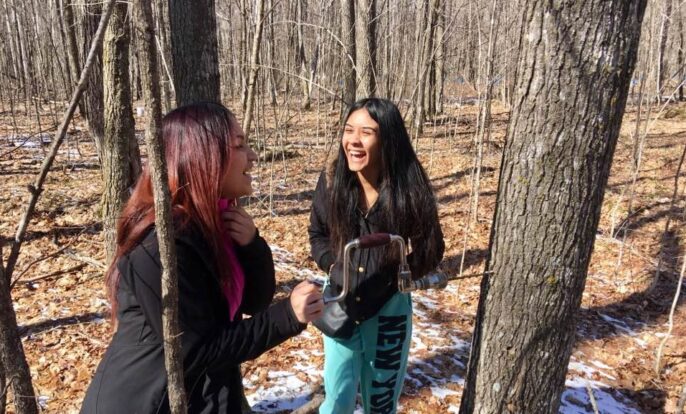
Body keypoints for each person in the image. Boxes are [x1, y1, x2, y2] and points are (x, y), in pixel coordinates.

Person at [81, 102, 323, 413]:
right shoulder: (161, 245)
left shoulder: (217, 221)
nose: (253, 156)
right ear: (202, 157)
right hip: (149, 402)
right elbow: (196, 350)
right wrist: (287, 316)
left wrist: (252, 246)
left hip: (206, 393)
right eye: (239, 146)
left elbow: (253, 302)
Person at [308, 98, 445, 413]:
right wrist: (335, 264)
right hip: (340, 303)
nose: (353, 141)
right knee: (337, 401)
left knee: (381, 404)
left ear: (387, 140)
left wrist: (397, 276)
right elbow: (318, 235)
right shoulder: (331, 180)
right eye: (348, 130)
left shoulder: (409, 187)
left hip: (389, 312)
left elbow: (431, 247)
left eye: (366, 132)